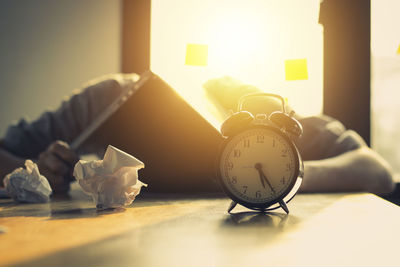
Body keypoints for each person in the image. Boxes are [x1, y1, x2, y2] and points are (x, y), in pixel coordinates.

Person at [0, 73, 395, 196]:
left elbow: (374, 170)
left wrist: (281, 174)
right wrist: (33, 171)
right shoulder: (107, 97)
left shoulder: (265, 116)